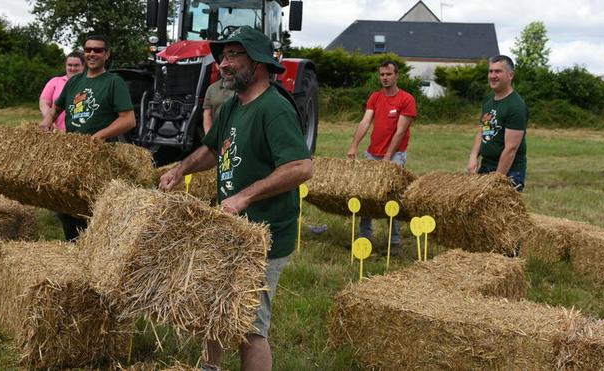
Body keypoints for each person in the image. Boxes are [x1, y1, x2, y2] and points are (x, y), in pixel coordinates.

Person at [159, 26, 312, 371]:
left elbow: (301, 167)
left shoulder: (274, 108)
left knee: (249, 326)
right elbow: (212, 149)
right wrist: (181, 169)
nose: (223, 64)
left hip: (263, 234)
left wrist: (244, 196)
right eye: (222, 56)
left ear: (257, 62)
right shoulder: (233, 106)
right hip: (230, 228)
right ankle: (209, 368)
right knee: (214, 307)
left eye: (232, 56)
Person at [39, 35, 136, 240]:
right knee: (66, 207)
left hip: (98, 155)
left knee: (90, 209)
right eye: (88, 49)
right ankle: (73, 249)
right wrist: (47, 120)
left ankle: (92, 253)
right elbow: (57, 108)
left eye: (98, 50)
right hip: (72, 152)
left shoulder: (113, 83)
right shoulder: (75, 81)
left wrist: (99, 135)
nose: (92, 54)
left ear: (106, 54)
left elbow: (128, 120)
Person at [346, 61, 416, 256]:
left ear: (396, 76)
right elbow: (365, 121)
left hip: (395, 156)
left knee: (391, 196)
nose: (385, 77)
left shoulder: (406, 99)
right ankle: (364, 237)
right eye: (382, 74)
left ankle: (394, 242)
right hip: (371, 153)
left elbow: (401, 131)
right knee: (366, 194)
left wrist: (387, 157)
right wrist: (354, 146)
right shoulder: (375, 97)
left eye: (388, 74)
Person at [467, 55, 527, 191]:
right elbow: (483, 130)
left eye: (498, 71)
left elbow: (511, 149)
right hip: (486, 166)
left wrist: (496, 180)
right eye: (490, 71)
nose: (492, 76)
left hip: (509, 172)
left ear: (510, 75)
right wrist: (473, 157)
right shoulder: (489, 100)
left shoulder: (516, 106)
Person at [39, 51, 85, 131]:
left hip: (82, 132)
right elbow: (44, 102)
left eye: (76, 65)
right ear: (65, 66)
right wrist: (49, 119)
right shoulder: (55, 81)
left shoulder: (89, 83)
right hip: (57, 131)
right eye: (69, 65)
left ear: (83, 66)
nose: (73, 68)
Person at [202, 66, 234, 134]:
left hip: (237, 133)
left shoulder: (243, 86)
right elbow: (207, 114)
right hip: (218, 134)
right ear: (217, 66)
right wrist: (209, 137)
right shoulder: (212, 88)